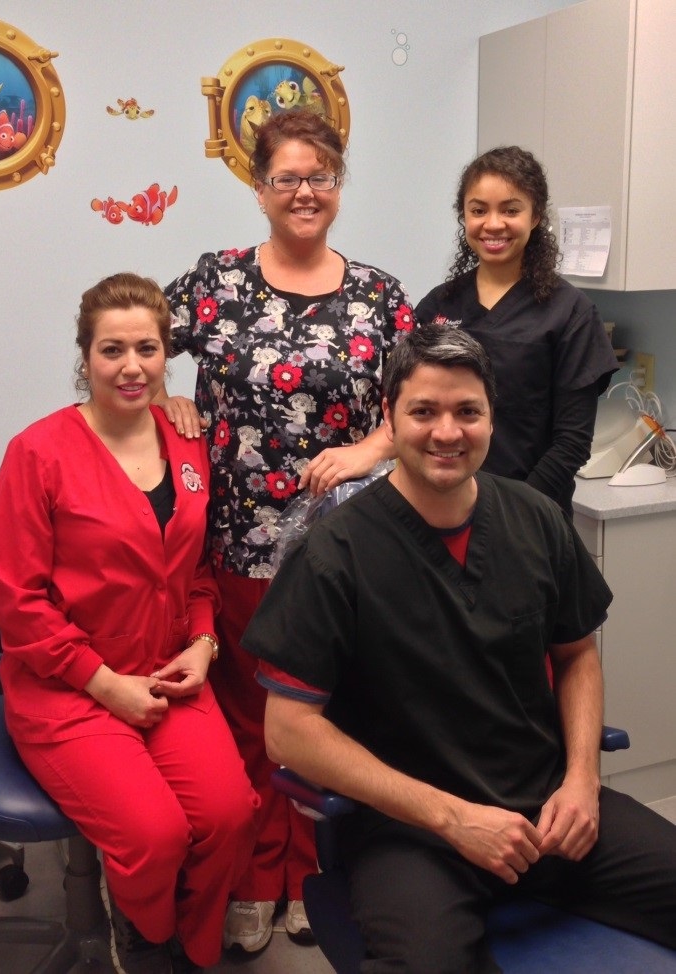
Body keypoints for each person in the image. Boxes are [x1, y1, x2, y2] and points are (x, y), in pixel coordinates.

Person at [243, 325, 676, 973]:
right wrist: (451, 819)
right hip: (413, 834)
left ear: (490, 418)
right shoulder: (336, 553)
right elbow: (289, 732)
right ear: (390, 417)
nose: (446, 432)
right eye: (423, 411)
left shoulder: (535, 521)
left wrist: (582, 780)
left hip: (550, 805)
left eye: (466, 411)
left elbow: (577, 655)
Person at [162, 109, 415, 953]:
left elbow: (413, 408)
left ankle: (308, 872)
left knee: (320, 715)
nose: (304, 192)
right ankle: (250, 878)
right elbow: (129, 341)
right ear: (257, 187)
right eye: (286, 178)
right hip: (236, 538)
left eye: (320, 176)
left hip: (341, 547)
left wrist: (368, 447)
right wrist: (165, 398)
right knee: (244, 715)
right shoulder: (217, 280)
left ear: (337, 185)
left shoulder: (378, 295)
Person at [0, 273, 259, 974]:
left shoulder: (187, 442)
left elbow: (195, 570)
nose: (131, 366)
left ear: (167, 353)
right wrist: (104, 684)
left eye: (146, 348)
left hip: (168, 671)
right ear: (85, 357)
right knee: (156, 833)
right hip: (67, 686)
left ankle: (192, 946)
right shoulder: (38, 452)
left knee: (229, 814)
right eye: (112, 350)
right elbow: (17, 600)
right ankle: (146, 937)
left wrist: (202, 643)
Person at [415, 145, 618, 515]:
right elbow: (415, 413)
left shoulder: (570, 313)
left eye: (510, 209)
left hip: (531, 514)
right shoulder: (438, 306)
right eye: (478, 210)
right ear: (464, 215)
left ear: (536, 215)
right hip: (443, 509)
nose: (493, 224)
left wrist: (512, 512)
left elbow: (571, 442)